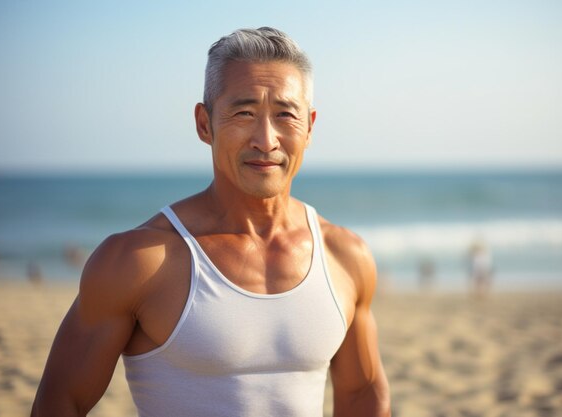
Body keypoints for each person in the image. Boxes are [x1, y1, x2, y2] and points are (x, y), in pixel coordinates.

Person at [31, 27, 390, 416]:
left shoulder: (345, 256)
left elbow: (362, 393)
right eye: (244, 112)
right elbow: (60, 403)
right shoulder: (139, 261)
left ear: (309, 127)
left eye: (285, 114)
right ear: (205, 124)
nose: (266, 139)